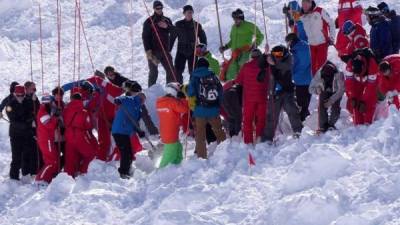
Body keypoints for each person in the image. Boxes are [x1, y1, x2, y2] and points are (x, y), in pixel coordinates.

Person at [261, 45, 303, 143]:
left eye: (279, 54)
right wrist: (265, 55)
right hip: (274, 93)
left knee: (292, 112)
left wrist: (273, 62)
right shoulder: (271, 57)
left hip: (287, 91)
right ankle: (267, 138)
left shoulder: (289, 57)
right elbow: (261, 64)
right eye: (275, 54)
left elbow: (286, 66)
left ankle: (299, 132)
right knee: (272, 116)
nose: (277, 56)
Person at [188, 58, 226, 159]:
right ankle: (226, 151)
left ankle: (201, 157)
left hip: (200, 110)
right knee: (219, 130)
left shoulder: (194, 77)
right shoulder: (213, 75)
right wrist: (218, 106)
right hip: (213, 109)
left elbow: (191, 92)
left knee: (200, 135)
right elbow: (221, 92)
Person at [104, 66, 159, 135]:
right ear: (107, 75)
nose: (111, 76)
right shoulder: (109, 83)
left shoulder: (120, 79)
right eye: (109, 75)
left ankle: (154, 132)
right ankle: (139, 134)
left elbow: (132, 87)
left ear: (114, 72)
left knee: (143, 114)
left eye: (112, 74)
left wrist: (127, 90)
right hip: (126, 103)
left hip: (133, 99)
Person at [234, 49, 269, 144]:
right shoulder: (266, 67)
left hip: (249, 99)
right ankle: (259, 138)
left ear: (252, 56)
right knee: (261, 119)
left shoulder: (246, 66)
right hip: (262, 97)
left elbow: (238, 81)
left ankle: (248, 141)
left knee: (248, 120)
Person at [219, 8, 264, 81]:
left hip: (245, 54)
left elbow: (260, 35)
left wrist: (255, 44)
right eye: (234, 19)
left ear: (241, 18)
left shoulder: (249, 25)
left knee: (243, 73)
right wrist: (225, 47)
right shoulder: (233, 27)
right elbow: (232, 41)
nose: (235, 21)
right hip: (234, 54)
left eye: (237, 19)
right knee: (230, 75)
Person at [111, 82, 143, 179]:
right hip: (119, 130)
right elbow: (119, 99)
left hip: (125, 132)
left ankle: (127, 171)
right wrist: (117, 100)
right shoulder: (129, 100)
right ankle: (123, 172)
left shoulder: (138, 109)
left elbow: (134, 123)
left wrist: (139, 131)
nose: (144, 100)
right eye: (142, 97)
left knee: (129, 153)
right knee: (125, 153)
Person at [63, 89, 97, 177]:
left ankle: (68, 177)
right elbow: (88, 126)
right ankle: (83, 172)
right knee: (91, 154)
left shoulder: (65, 110)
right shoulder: (84, 112)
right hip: (79, 135)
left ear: (72, 99)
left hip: (68, 135)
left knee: (70, 158)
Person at [170, 5, 207, 83]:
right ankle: (179, 88)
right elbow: (172, 38)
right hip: (181, 51)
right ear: (184, 13)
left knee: (193, 72)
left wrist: (202, 48)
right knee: (177, 71)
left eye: (191, 12)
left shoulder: (197, 25)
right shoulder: (178, 24)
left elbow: (203, 38)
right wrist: (168, 49)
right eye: (188, 12)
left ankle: (192, 88)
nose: (189, 14)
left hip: (193, 52)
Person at [6, 85, 36, 180]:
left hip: (27, 134)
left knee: (27, 154)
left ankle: (26, 174)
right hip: (15, 135)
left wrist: (34, 101)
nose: (20, 97)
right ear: (15, 94)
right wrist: (27, 123)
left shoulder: (28, 101)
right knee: (16, 156)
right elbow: (13, 121)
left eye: (22, 95)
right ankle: (13, 176)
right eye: (18, 95)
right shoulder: (10, 105)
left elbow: (32, 114)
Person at [142, 0, 175, 87]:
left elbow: (174, 32)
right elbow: (145, 37)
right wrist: (148, 51)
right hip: (154, 51)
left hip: (165, 51)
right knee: (153, 72)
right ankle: (151, 91)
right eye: (157, 8)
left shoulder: (167, 20)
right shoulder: (149, 21)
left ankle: (170, 89)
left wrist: (167, 26)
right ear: (154, 9)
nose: (159, 9)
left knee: (171, 70)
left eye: (160, 7)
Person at [156, 83, 189, 168]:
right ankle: (161, 172)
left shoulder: (160, 102)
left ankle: (176, 166)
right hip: (171, 131)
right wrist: (183, 99)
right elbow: (184, 109)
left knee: (178, 147)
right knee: (170, 153)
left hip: (165, 130)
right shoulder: (172, 102)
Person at [300, 0, 336, 75]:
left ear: (310, 3)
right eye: (302, 4)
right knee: (313, 70)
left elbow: (331, 23)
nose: (304, 7)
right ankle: (315, 85)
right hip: (311, 45)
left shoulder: (320, 11)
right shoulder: (302, 15)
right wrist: (288, 13)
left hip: (322, 43)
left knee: (321, 68)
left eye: (305, 4)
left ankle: (324, 84)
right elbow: (294, 18)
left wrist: (332, 37)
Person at [345, 48, 379, 125]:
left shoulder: (372, 65)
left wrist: (363, 101)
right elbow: (349, 83)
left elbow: (371, 88)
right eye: (356, 73)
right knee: (355, 100)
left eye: (359, 73)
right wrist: (352, 97)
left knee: (370, 99)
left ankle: (368, 121)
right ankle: (357, 122)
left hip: (370, 80)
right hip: (357, 81)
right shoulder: (350, 64)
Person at [309, 61, 345, 132]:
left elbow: (341, 90)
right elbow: (311, 89)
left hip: (336, 90)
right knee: (322, 105)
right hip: (325, 89)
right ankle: (323, 126)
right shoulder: (319, 73)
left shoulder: (339, 74)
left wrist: (331, 100)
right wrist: (317, 90)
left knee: (335, 107)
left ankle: (331, 124)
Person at [285, 33, 312, 121]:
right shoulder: (307, 46)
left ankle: (302, 122)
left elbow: (291, 66)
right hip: (310, 78)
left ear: (291, 41)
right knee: (306, 101)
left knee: (300, 103)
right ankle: (307, 119)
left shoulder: (294, 52)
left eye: (287, 42)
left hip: (300, 79)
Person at [35, 94, 61, 184]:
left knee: (53, 159)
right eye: (52, 102)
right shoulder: (42, 112)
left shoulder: (46, 111)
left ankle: (47, 178)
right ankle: (41, 179)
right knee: (51, 161)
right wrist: (56, 118)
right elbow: (50, 125)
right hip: (46, 140)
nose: (53, 104)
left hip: (48, 139)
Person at [51, 87, 66, 169]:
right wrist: (56, 115)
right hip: (55, 133)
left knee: (65, 152)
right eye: (57, 95)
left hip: (63, 132)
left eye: (60, 95)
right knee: (56, 153)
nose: (59, 97)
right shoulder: (51, 104)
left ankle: (60, 167)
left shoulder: (64, 104)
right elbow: (50, 117)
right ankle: (56, 169)